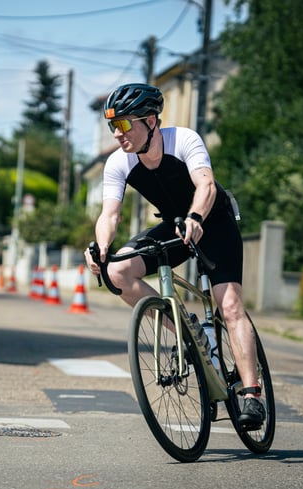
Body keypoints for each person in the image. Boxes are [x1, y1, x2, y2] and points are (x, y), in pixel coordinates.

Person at [84, 83, 264, 428]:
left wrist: (196, 218)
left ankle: (252, 396)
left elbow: (206, 185)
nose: (117, 133)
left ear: (150, 121)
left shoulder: (183, 140)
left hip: (213, 222)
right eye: (112, 126)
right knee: (117, 272)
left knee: (229, 306)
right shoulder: (118, 161)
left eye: (123, 124)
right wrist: (102, 248)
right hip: (175, 226)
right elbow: (110, 214)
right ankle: (187, 331)